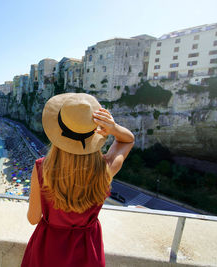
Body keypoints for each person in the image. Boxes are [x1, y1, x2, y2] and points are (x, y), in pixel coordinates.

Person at [21, 93, 134, 267]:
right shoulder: (105, 169)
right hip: (87, 252)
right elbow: (127, 141)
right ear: (93, 134)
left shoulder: (42, 169)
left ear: (57, 133)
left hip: (48, 252)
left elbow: (33, 218)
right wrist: (112, 128)